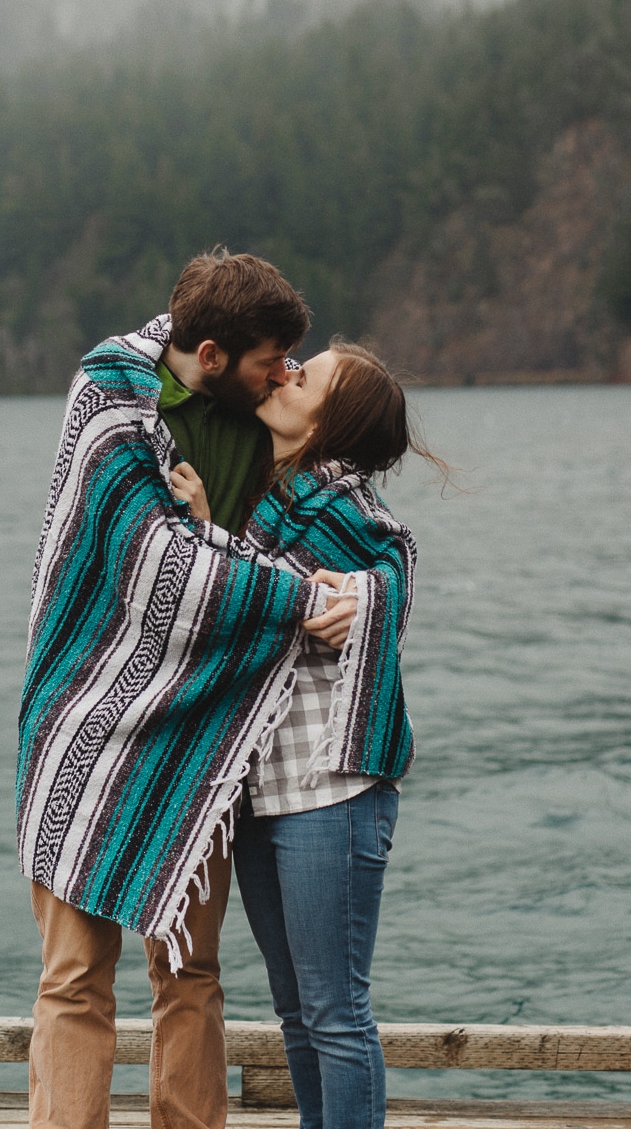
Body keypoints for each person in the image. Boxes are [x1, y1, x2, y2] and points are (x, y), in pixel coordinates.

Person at [17, 250, 358, 1129]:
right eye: (268, 360)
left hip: (201, 733)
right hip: (85, 719)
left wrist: (357, 590)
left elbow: (340, 529)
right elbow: (149, 563)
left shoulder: (268, 425)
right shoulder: (109, 396)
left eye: (291, 362)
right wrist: (299, 597)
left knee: (190, 971)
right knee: (74, 976)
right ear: (210, 354)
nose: (283, 374)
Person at [168, 338, 437, 1129]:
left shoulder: (351, 518)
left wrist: (368, 595)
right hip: (260, 788)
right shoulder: (259, 500)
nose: (287, 373)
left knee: (335, 1013)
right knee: (295, 1013)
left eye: (306, 374)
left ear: (330, 422)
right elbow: (254, 598)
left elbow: (385, 567)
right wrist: (217, 529)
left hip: (334, 789)